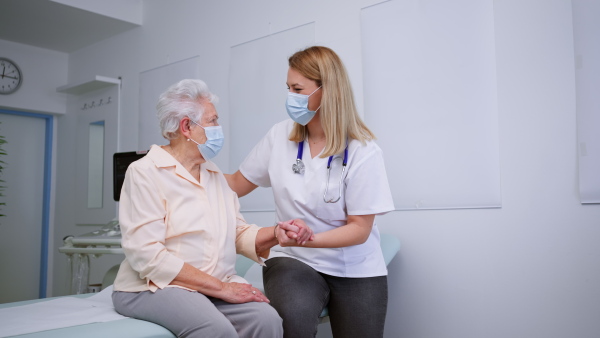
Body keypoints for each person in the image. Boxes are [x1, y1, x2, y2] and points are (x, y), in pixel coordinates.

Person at [112, 79, 308, 338]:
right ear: (186, 127)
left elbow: (237, 232)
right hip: (155, 286)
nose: (219, 128)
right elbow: (147, 256)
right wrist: (220, 288)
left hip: (209, 286)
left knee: (267, 320)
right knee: (214, 329)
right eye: (213, 121)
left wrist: (277, 232)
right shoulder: (145, 172)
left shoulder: (212, 173)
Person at [226, 46, 395, 338]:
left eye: (297, 88)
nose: (290, 97)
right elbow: (236, 185)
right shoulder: (279, 136)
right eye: (288, 88)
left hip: (354, 265)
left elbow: (359, 229)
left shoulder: (363, 151)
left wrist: (308, 238)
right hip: (292, 258)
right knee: (293, 317)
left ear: (326, 90)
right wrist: (188, 172)